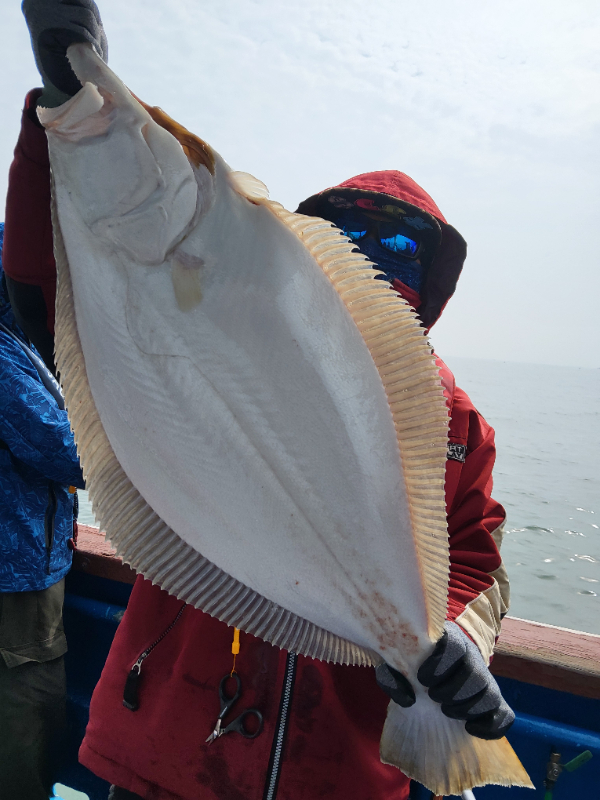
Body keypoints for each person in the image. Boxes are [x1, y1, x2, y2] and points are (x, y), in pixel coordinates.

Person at [8, 2, 514, 798]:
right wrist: (62, 112)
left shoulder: (456, 426)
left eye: (401, 248)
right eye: (344, 237)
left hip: (338, 773)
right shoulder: (206, 334)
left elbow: (479, 558)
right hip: (165, 746)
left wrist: (457, 638)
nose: (373, 259)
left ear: (430, 283)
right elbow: (56, 290)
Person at [0, 221, 85, 800]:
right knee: (25, 711)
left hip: (25, 568)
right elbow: (68, 453)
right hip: (17, 583)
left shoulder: (19, 344)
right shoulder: (5, 354)